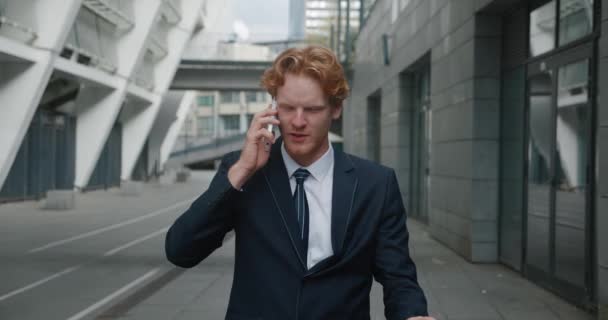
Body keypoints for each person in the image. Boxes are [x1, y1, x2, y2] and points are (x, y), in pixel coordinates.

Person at [165, 46, 433, 320]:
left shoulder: (376, 184)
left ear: (336, 109)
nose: (298, 121)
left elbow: (399, 278)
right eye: (287, 108)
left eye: (313, 109)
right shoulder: (243, 170)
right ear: (272, 108)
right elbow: (180, 251)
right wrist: (242, 171)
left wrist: (413, 315)